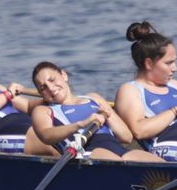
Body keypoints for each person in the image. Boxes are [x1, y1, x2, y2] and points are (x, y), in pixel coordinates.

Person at [113, 21, 177, 164]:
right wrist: (174, 111)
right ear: (149, 63)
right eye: (168, 63)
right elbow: (139, 130)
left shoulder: (175, 85)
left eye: (174, 62)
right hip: (165, 141)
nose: (175, 68)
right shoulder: (130, 90)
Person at [24, 61, 160, 162]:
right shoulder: (44, 110)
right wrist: (81, 124)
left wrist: (109, 115)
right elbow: (46, 135)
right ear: (41, 93)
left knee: (157, 164)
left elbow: (127, 137)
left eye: (52, 80)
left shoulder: (94, 98)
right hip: (87, 154)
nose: (50, 88)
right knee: (113, 159)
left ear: (64, 75)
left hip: (121, 151)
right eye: (43, 88)